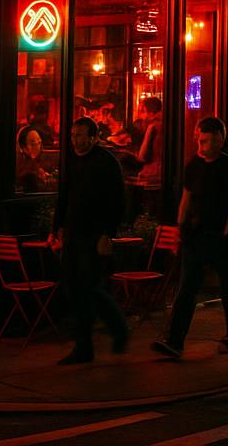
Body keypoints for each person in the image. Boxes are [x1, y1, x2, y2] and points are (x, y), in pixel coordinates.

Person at [153, 116, 228, 358]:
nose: (200, 146)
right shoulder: (193, 164)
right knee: (187, 287)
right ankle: (175, 340)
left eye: (205, 141)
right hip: (195, 234)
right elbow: (186, 196)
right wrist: (180, 227)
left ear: (219, 140)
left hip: (219, 235)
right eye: (199, 140)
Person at [51, 116, 129, 364]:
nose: (76, 140)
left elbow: (117, 201)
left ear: (95, 137)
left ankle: (118, 329)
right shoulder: (73, 161)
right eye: (73, 135)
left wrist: (107, 233)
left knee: (90, 287)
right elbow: (65, 194)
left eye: (81, 135)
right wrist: (57, 227)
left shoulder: (107, 163)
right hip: (73, 232)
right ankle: (84, 346)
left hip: (93, 234)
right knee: (73, 289)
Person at [16, 124, 53, 193]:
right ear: (24, 148)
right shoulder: (28, 174)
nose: (38, 146)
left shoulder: (38, 165)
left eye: (39, 142)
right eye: (33, 143)